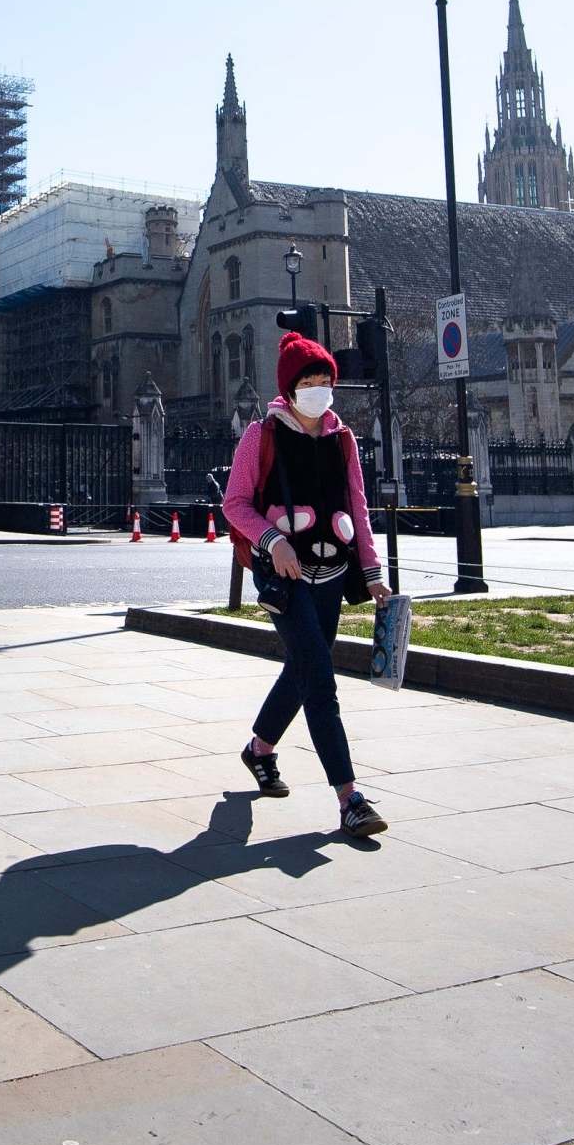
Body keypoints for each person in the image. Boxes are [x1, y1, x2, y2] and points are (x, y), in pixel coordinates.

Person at [223, 332, 392, 838]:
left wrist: (373, 572)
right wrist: (273, 540)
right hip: (285, 581)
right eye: (309, 381)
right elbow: (235, 505)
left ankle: (259, 750)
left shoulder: (343, 440)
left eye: (325, 380)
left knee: (301, 670)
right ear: (290, 388)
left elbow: (357, 509)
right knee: (320, 681)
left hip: (331, 577)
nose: (319, 389)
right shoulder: (262, 435)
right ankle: (349, 799)